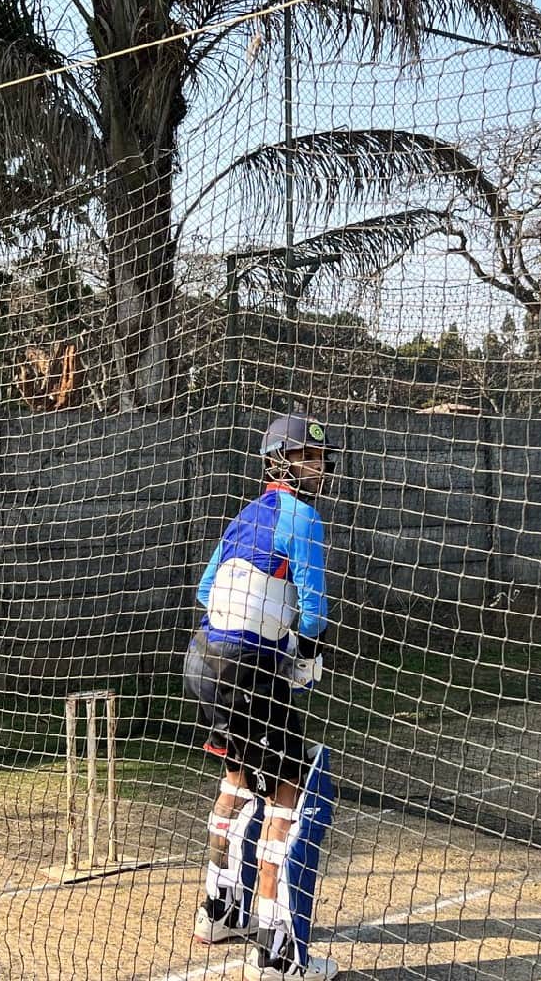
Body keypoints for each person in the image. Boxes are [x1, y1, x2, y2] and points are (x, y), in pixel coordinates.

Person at [182, 413, 339, 981]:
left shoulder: (246, 513)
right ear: (279, 462)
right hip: (248, 672)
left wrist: (268, 629)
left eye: (319, 458)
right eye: (305, 457)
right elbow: (315, 611)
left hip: (203, 660)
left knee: (236, 781)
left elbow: (206, 591)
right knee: (288, 797)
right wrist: (302, 648)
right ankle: (278, 956)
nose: (316, 467)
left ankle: (219, 911)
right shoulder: (303, 518)